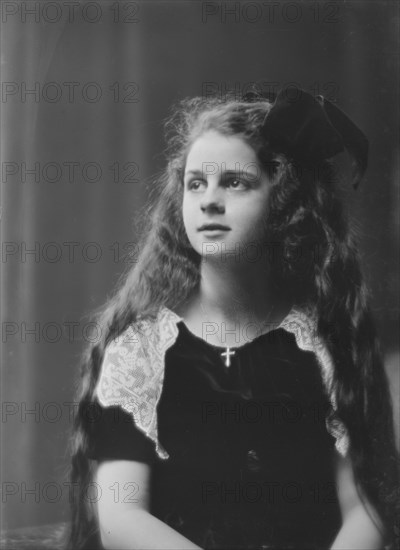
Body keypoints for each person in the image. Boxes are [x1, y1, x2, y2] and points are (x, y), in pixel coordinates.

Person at [66, 87, 399, 550]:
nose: (209, 200)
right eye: (196, 183)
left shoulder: (322, 344)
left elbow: (364, 508)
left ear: (283, 202)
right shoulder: (141, 348)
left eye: (235, 182)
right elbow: (120, 517)